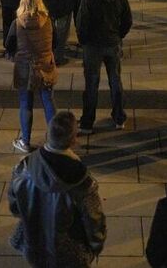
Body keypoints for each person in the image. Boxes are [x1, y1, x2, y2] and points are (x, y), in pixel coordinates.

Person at [8, 111, 106, 267]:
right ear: (73, 140)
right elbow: (93, 219)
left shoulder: (24, 167)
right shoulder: (82, 182)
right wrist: (96, 246)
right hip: (71, 252)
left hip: (34, 245)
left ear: (49, 134)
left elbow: (15, 206)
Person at [76, 0, 132, 134]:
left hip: (93, 47)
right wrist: (118, 35)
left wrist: (84, 42)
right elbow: (127, 20)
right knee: (115, 81)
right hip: (112, 44)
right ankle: (119, 117)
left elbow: (81, 24)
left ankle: (87, 122)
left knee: (91, 84)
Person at [5, 0, 59, 153]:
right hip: (45, 67)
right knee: (48, 101)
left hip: (25, 68)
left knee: (25, 103)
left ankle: (25, 141)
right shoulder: (48, 21)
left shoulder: (17, 23)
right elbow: (55, 43)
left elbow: (9, 45)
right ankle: (55, 140)